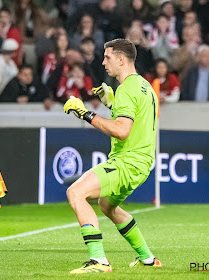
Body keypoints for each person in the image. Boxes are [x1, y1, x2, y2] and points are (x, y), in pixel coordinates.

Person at [63, 39, 162, 273]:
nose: (103, 62)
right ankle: (148, 259)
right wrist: (112, 105)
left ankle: (99, 261)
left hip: (127, 161)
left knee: (75, 192)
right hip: (142, 162)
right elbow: (132, 119)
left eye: (107, 57)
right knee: (107, 206)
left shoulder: (127, 88)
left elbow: (121, 130)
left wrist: (85, 114)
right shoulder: (145, 86)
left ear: (121, 59)